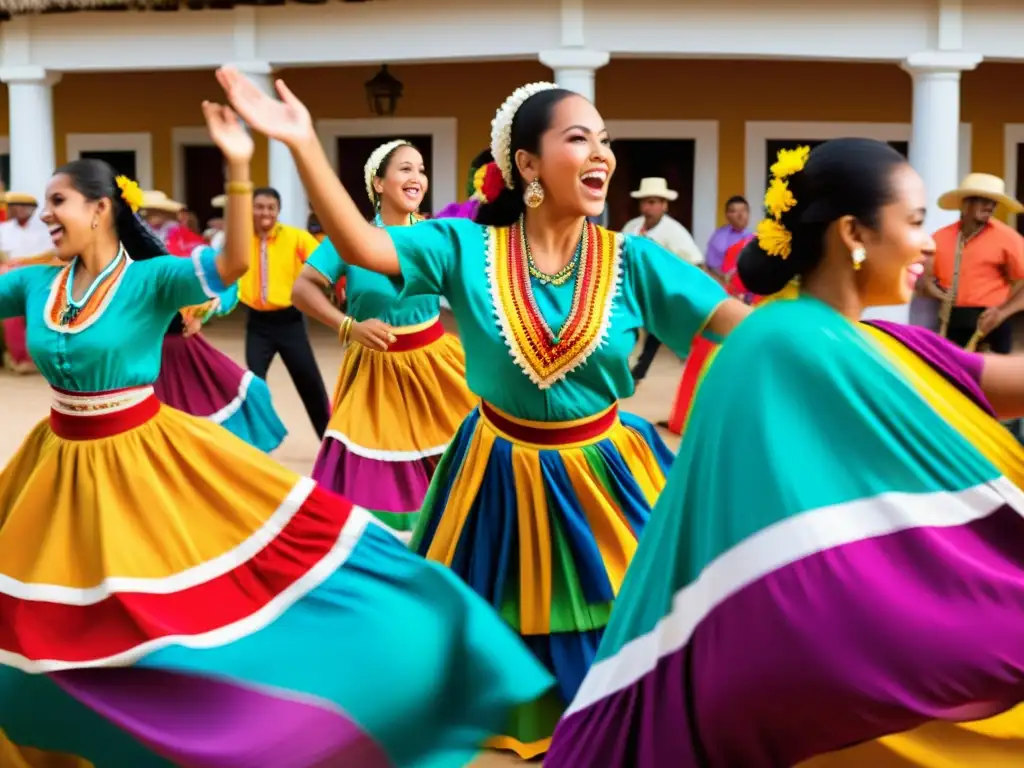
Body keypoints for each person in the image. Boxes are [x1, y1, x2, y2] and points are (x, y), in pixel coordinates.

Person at [216, 67, 749, 759]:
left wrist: (851, 333)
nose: (602, 156)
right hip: (498, 465)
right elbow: (361, 250)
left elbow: (743, 328)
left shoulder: (635, 261)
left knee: (626, 607)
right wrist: (303, 145)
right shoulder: (462, 247)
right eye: (579, 139)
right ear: (526, 163)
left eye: (605, 141)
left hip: (606, 466)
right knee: (499, 606)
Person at [0, 101, 552, 767]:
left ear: (100, 209)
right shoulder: (34, 283)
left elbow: (232, 265)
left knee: (161, 602)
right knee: (47, 609)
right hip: (54, 468)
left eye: (57, 200)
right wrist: (350, 327)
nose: (41, 212)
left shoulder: (149, 280)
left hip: (142, 458)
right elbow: (308, 286)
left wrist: (237, 165)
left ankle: (220, 717)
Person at [548, 138, 1024, 767]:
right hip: (807, 649)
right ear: (854, 232)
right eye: (913, 223)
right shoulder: (778, 344)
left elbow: (999, 383)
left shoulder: (886, 343)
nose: (931, 241)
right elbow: (772, 540)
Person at [292, 139, 476, 538]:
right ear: (378, 183)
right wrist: (348, 326)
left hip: (436, 366)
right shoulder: (349, 238)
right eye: (406, 169)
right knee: (368, 475)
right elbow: (302, 289)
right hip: (374, 373)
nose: (417, 178)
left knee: (464, 458)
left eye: (422, 170)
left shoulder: (434, 236)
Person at [154, 261, 287, 453]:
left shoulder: (188, 257)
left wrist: (205, 309)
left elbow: (225, 283)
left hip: (186, 348)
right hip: (152, 353)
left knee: (253, 389)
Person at [238, 185, 330, 438]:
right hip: (257, 323)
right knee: (253, 385)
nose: (264, 212)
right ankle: (256, 442)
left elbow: (325, 261)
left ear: (278, 211)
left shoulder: (296, 238)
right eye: (259, 207)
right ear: (251, 209)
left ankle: (329, 443)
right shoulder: (241, 238)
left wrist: (334, 284)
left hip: (290, 322)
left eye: (270, 207)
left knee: (310, 383)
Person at [924, 173, 1024, 353]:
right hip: (951, 318)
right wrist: (934, 291)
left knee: (993, 379)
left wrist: (1002, 313)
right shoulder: (940, 237)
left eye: (993, 202)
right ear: (965, 204)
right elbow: (925, 280)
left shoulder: (1008, 238)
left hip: (992, 320)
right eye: (983, 200)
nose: (990, 206)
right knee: (951, 374)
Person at [622, 177, 704, 383]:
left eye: (653, 202)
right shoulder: (632, 227)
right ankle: (632, 370)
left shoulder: (674, 231)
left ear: (664, 205)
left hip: (662, 291)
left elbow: (695, 261)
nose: (648, 207)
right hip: (634, 290)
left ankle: (644, 370)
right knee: (634, 330)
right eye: (645, 202)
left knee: (661, 331)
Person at [0, 192, 55, 374]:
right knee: (11, 316)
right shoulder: (4, 228)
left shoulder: (46, 229)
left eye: (24, 206)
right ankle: (19, 358)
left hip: (39, 275)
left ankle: (39, 360)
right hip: (10, 275)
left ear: (33, 209)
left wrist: (24, 262)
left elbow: (51, 255)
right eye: (15, 206)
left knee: (39, 314)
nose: (19, 209)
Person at [704, 194, 752, 279]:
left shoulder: (755, 238)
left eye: (744, 210)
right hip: (725, 286)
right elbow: (711, 266)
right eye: (734, 211)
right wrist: (724, 277)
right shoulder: (718, 237)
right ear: (727, 215)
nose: (740, 215)